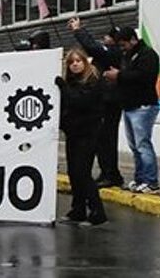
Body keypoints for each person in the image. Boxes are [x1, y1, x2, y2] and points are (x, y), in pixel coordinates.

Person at [104, 27, 160, 195]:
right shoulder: (127, 56)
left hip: (143, 105)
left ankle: (151, 181)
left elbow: (145, 77)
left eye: (123, 45)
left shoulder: (147, 54)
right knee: (135, 146)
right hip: (129, 106)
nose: (122, 48)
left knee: (143, 144)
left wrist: (119, 76)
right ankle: (140, 178)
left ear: (133, 40)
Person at [68, 18, 124, 188]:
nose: (104, 39)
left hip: (109, 102)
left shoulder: (113, 52)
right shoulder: (111, 53)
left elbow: (92, 47)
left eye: (107, 37)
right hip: (106, 101)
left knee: (106, 140)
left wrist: (78, 30)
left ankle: (110, 174)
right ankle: (107, 172)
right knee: (102, 140)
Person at [57, 48, 108, 226]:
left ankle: (97, 212)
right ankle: (77, 210)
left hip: (89, 132)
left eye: (78, 61)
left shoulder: (93, 81)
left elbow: (81, 101)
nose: (75, 64)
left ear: (85, 62)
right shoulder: (70, 82)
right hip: (73, 132)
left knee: (82, 173)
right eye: (71, 62)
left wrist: (64, 88)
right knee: (73, 172)